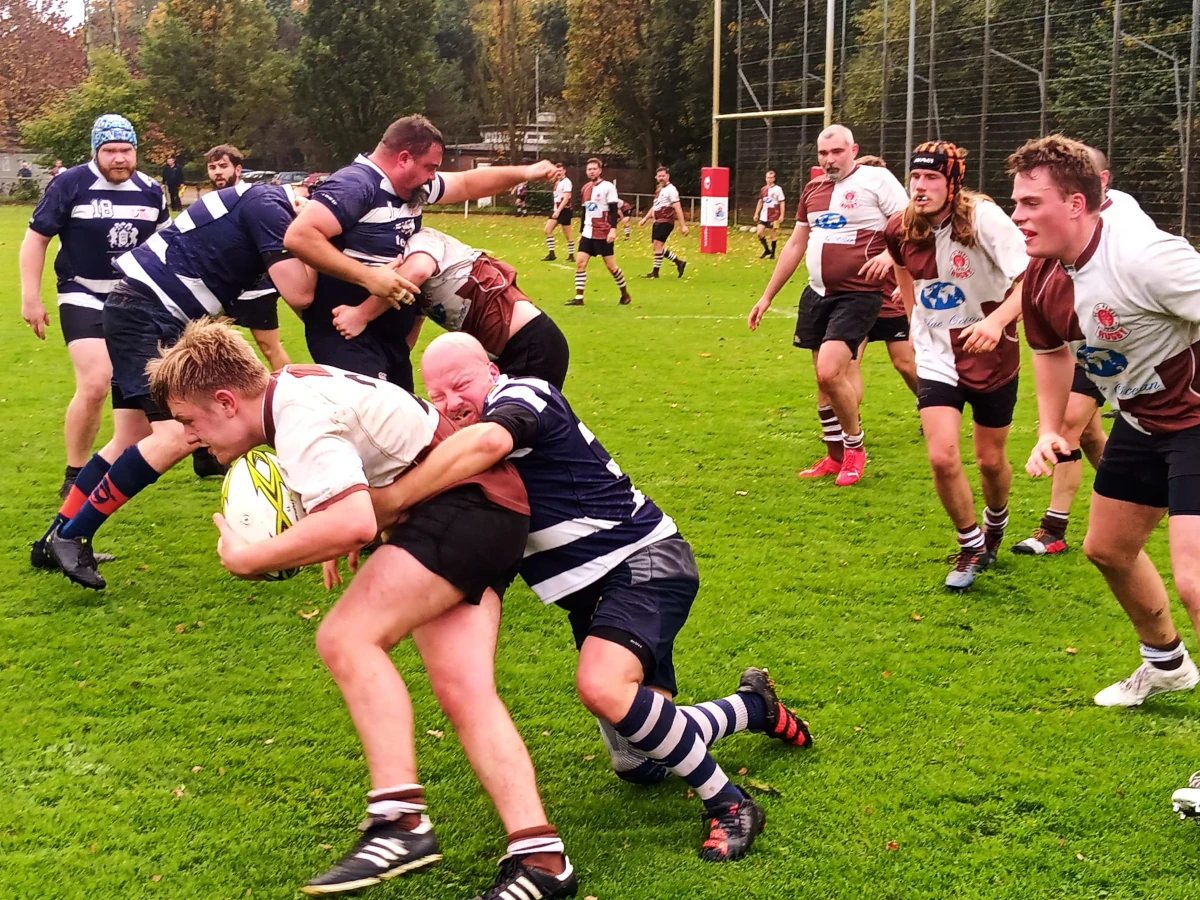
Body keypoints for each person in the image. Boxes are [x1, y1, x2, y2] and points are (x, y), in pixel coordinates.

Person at [145, 322, 577, 900]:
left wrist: (250, 560)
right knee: (464, 689)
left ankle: (398, 821)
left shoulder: (296, 413)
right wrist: (336, 528)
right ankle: (541, 860)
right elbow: (359, 486)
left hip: (464, 506)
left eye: (191, 421)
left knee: (346, 638)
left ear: (226, 401)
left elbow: (354, 520)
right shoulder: (290, 390)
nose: (192, 437)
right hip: (489, 507)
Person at [369, 332, 815, 862]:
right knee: (640, 761)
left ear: (491, 370)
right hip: (593, 595)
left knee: (602, 686)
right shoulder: (458, 448)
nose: (450, 403)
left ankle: (730, 804)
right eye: (435, 395)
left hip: (645, 562)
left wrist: (391, 501)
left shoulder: (525, 393)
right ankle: (751, 707)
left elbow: (488, 443)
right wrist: (373, 529)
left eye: (460, 384)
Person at [33, 178, 316, 591]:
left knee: (130, 437)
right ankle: (73, 535)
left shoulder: (261, 209)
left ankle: (54, 537)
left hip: (139, 308)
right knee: (177, 437)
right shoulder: (270, 204)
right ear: (304, 201)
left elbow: (258, 301)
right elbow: (302, 293)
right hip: (149, 313)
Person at [1011, 134, 1200, 712]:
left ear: (1076, 204)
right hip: (1140, 422)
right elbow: (1049, 354)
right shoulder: (1043, 274)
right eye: (1014, 202)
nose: (1016, 215)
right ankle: (1166, 666)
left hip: (1196, 419)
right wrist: (1049, 428)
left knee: (1194, 580)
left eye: (1030, 203)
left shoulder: (1147, 258)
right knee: (1108, 548)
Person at [283, 114, 556, 391]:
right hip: (350, 336)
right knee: (375, 425)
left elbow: (466, 183)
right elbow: (300, 236)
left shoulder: (413, 187)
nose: (433, 176)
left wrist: (526, 172)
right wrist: (368, 277)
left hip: (390, 340)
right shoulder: (357, 185)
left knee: (405, 427)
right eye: (430, 167)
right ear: (403, 158)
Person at [884, 142, 1028, 589]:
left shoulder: (984, 219)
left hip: (992, 352)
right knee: (941, 455)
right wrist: (913, 319)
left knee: (989, 461)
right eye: (915, 178)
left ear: (952, 183)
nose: (921, 187)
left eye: (931, 178)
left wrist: (996, 321)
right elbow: (902, 269)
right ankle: (970, 545)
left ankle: (996, 522)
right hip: (937, 355)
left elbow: (1032, 278)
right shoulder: (900, 226)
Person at [20, 114, 169, 512]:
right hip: (81, 292)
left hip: (133, 300)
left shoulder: (152, 191)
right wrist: (30, 297)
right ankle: (75, 472)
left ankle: (113, 474)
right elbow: (36, 240)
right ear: (95, 152)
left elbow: (163, 252)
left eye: (126, 150)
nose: (119, 158)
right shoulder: (70, 184)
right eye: (110, 151)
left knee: (142, 397)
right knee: (96, 382)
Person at [747, 124, 908, 487]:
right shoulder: (813, 189)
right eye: (823, 154)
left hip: (859, 294)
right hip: (817, 293)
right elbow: (795, 244)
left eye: (837, 152)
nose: (830, 160)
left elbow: (911, 225)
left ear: (853, 149)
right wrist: (767, 295)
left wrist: (888, 255)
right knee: (823, 383)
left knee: (830, 372)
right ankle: (834, 457)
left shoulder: (877, 180)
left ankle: (855, 450)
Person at [1011, 144, 1152, 557]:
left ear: (1100, 182)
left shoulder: (1125, 218)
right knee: (1089, 432)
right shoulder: (1050, 241)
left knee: (1069, 425)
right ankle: (1140, 491)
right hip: (1076, 338)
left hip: (1113, 345)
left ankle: (1053, 527)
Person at [330, 226, 571, 388]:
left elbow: (417, 270)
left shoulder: (421, 239)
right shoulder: (411, 281)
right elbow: (408, 340)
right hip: (502, 353)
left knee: (518, 444)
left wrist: (360, 314)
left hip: (531, 344)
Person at [205, 144, 292, 370]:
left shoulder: (254, 197)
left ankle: (291, 394)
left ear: (238, 169)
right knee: (208, 345)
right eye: (212, 167)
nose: (217, 172)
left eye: (223, 166)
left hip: (256, 287)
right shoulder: (209, 203)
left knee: (269, 347)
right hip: (222, 288)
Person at [852, 156, 916, 397]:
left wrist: (907, 287)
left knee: (905, 364)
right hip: (857, 299)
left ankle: (931, 406)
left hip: (892, 300)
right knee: (848, 364)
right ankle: (850, 425)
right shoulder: (855, 215)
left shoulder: (903, 218)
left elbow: (917, 252)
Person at [565, 158, 630, 306]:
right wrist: (581, 231)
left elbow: (614, 210)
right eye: (589, 169)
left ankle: (625, 293)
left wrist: (613, 229)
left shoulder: (608, 187)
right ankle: (579, 298)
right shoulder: (585, 188)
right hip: (588, 232)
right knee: (580, 263)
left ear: (600, 170)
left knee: (611, 267)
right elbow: (584, 211)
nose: (592, 171)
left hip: (603, 232)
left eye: (594, 169)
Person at [638, 165, 688, 279]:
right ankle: (679, 262)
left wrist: (683, 225)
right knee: (657, 247)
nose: (661, 178)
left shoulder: (671, 190)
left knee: (657, 246)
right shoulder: (659, 190)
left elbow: (678, 207)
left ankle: (656, 273)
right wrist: (645, 218)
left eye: (663, 176)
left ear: (668, 176)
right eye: (659, 176)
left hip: (665, 221)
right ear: (656, 177)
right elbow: (655, 206)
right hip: (658, 221)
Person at [543, 162, 574, 261]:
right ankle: (551, 254)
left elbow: (566, 198)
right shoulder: (557, 182)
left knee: (567, 234)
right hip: (557, 209)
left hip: (564, 210)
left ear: (564, 171)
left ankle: (571, 255)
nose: (558, 173)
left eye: (560, 171)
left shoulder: (566, 182)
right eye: (557, 171)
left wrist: (559, 210)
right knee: (547, 230)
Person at [753, 170, 785, 259]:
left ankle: (773, 254)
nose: (769, 179)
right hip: (764, 215)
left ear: (774, 178)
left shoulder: (778, 189)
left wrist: (782, 215)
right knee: (759, 232)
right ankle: (767, 249)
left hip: (774, 215)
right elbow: (760, 201)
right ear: (765, 178)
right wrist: (756, 213)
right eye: (768, 178)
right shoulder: (763, 189)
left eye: (771, 178)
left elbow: (782, 202)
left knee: (772, 234)